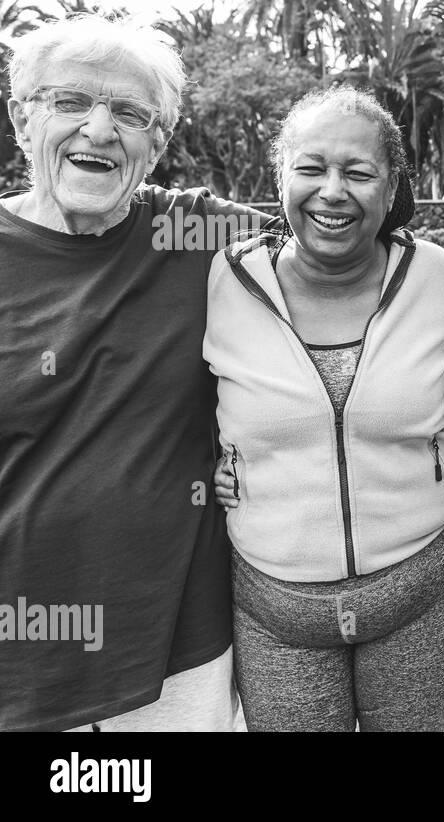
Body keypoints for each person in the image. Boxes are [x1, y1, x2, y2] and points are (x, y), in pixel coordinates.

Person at [0, 15, 265, 732]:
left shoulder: (196, 233)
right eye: (71, 102)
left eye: (129, 113)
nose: (99, 128)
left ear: (158, 143)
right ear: (23, 119)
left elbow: (344, 242)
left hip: (174, 657)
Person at [205, 86, 444, 731]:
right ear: (280, 177)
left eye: (358, 172)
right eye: (311, 168)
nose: (333, 190)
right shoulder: (220, 278)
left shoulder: (442, 276)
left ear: (391, 187)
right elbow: (162, 387)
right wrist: (215, 459)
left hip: (421, 590)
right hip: (277, 610)